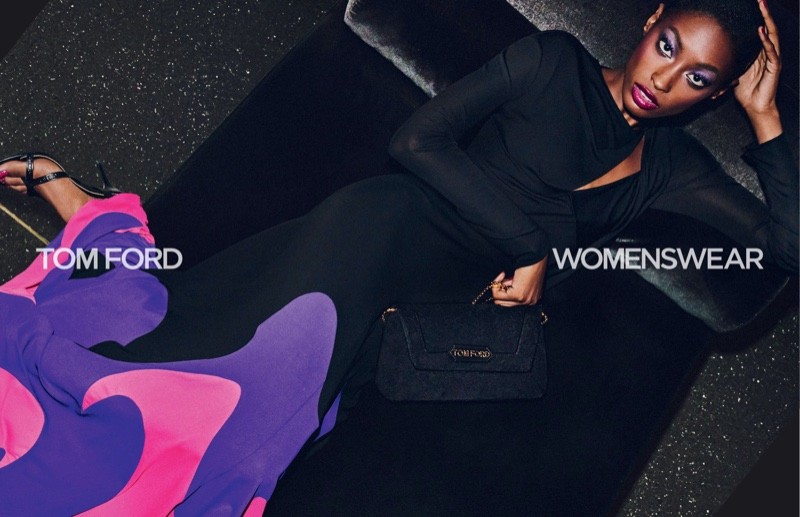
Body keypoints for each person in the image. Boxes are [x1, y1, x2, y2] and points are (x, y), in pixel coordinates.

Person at [0, 0, 795, 513]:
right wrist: (532, 247)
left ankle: (90, 211)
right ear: (650, 21)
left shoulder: (670, 169)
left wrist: (766, 122)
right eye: (666, 44)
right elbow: (415, 142)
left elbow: (784, 249)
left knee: (252, 412)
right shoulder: (551, 62)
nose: (664, 76)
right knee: (217, 415)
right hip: (376, 231)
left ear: (713, 95)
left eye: (697, 76)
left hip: (419, 311)